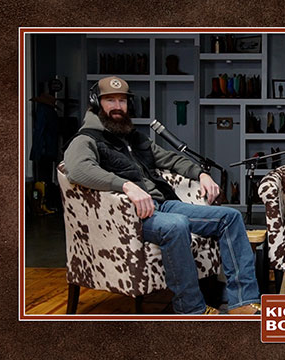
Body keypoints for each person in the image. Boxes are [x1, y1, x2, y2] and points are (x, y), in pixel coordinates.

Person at [63, 76, 260, 315]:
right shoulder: (86, 139)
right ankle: (191, 310)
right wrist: (126, 186)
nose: (117, 106)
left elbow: (171, 159)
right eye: (110, 100)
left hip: (163, 206)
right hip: (129, 217)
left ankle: (243, 302)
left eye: (122, 101)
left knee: (229, 217)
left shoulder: (134, 138)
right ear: (96, 103)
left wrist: (201, 175)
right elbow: (77, 170)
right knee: (176, 225)